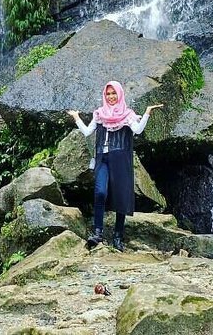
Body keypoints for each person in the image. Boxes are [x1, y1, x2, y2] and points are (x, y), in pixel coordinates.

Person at [67, 81, 162, 251]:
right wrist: (76, 117)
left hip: (120, 160)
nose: (111, 97)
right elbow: (88, 132)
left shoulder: (127, 115)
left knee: (120, 196)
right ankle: (98, 233)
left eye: (114, 94)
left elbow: (138, 130)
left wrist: (147, 113)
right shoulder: (99, 114)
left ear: (119, 94)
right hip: (102, 159)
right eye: (108, 94)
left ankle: (118, 237)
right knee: (100, 192)